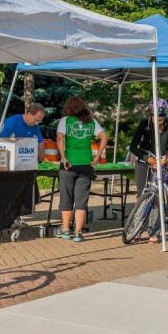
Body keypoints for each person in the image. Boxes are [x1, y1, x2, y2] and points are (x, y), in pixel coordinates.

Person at [54, 96, 108, 242]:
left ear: (68, 107)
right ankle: (78, 232)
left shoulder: (65, 120)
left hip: (68, 165)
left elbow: (60, 138)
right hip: (86, 164)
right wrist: (96, 158)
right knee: (81, 200)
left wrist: (63, 157)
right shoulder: (91, 121)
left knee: (66, 197)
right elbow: (104, 137)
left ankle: (65, 230)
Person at [129, 98, 168, 243]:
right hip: (144, 162)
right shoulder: (144, 125)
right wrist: (147, 158)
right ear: (150, 115)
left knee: (157, 197)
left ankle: (154, 231)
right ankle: (136, 229)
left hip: (162, 163)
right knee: (142, 196)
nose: (159, 121)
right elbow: (133, 147)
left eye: (162, 117)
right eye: (155, 117)